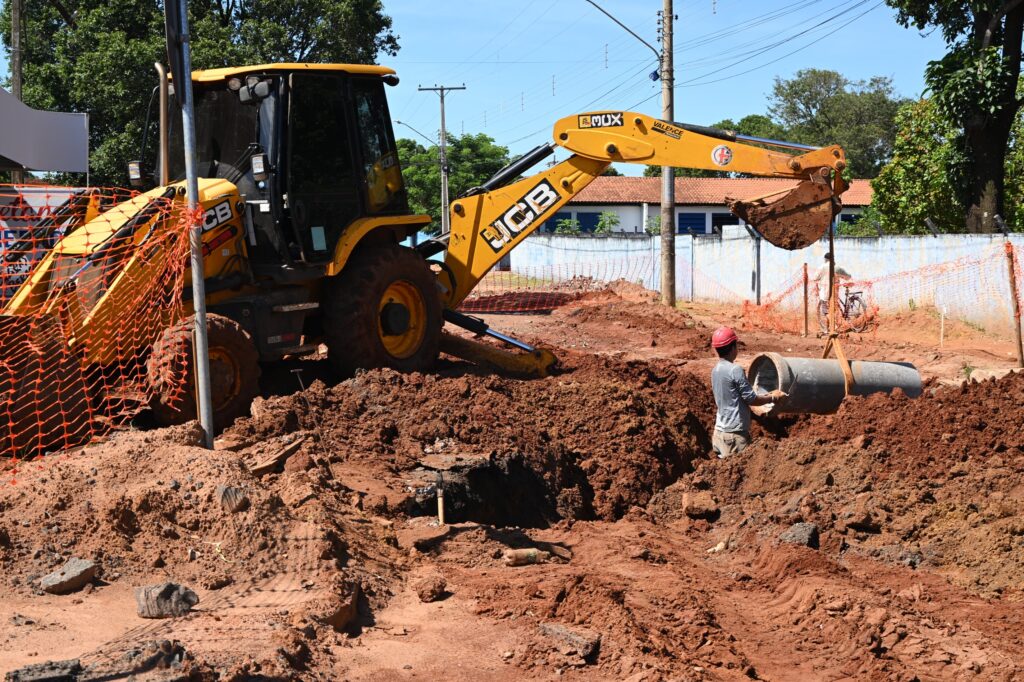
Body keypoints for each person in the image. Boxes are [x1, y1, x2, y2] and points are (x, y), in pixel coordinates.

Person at [710, 326, 786, 458]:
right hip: (734, 435)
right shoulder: (735, 370)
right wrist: (773, 397)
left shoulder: (715, 370)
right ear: (733, 348)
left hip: (719, 433)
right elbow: (752, 399)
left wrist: (767, 394)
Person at [812, 252, 852, 327]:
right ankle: (832, 326)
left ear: (825, 259)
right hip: (835, 292)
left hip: (825, 293)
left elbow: (814, 278)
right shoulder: (837, 268)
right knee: (834, 308)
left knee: (826, 311)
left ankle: (833, 326)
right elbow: (848, 277)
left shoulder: (822, 267)